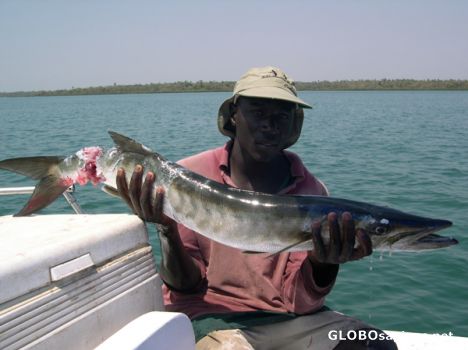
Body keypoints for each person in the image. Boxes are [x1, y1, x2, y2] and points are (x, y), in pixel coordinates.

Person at [116, 67, 398, 350]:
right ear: (235, 115)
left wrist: (323, 264)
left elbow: (299, 301)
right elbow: (185, 287)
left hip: (288, 320)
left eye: (282, 116)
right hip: (211, 317)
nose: (270, 125)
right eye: (258, 112)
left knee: (375, 345)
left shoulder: (314, 192)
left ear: (294, 123)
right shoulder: (188, 178)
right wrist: (166, 227)